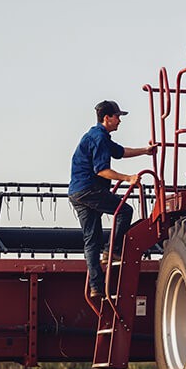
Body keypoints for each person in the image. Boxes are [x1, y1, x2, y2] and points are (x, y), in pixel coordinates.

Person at [68, 100, 155, 301]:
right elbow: (102, 170)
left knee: (91, 240)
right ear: (107, 118)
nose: (120, 121)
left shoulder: (99, 136)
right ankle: (112, 250)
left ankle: (96, 287)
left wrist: (145, 150)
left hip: (77, 193)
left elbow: (121, 152)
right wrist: (128, 178)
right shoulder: (98, 138)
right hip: (89, 189)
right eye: (118, 117)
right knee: (124, 211)